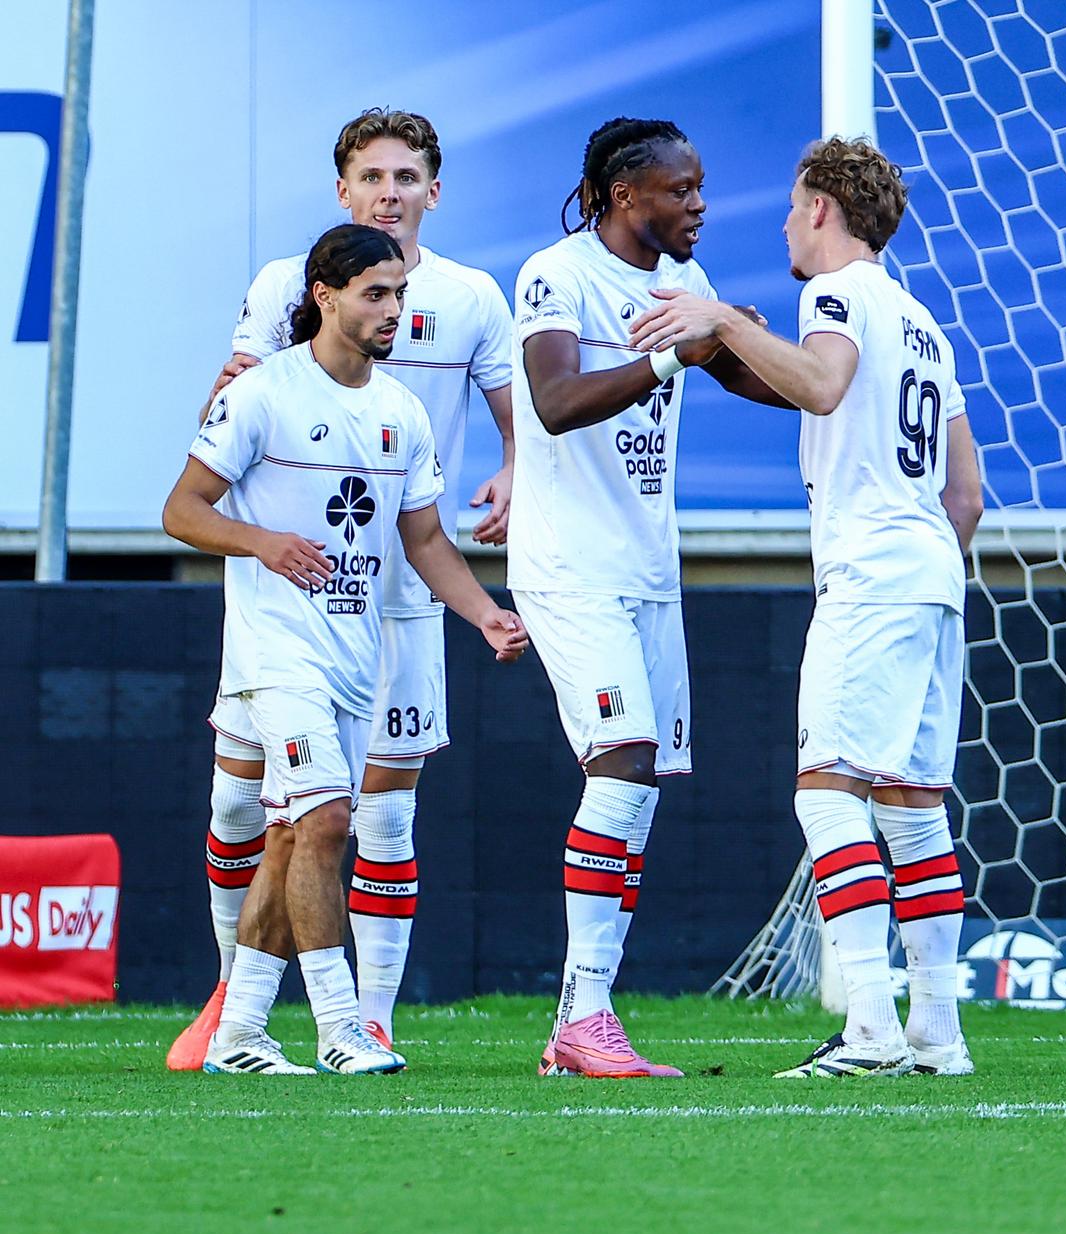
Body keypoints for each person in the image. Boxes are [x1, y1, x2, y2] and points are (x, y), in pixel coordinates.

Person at [168, 109, 515, 1068]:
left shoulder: (406, 401)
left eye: (400, 294)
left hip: (370, 633)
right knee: (307, 817)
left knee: (323, 826)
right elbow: (184, 503)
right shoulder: (269, 378)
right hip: (277, 635)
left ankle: (245, 1029)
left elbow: (428, 536)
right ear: (323, 294)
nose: (395, 312)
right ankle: (336, 1027)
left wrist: (485, 611)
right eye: (376, 296)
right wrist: (264, 540)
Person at [632, 137, 981, 1078]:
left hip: (871, 578)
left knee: (826, 792)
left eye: (793, 204)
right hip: (932, 579)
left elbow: (822, 384)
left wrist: (719, 320)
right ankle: (937, 1035)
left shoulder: (836, 296)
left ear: (823, 207)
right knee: (913, 807)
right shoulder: (922, 320)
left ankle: (869, 1026)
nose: (786, 221)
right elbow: (968, 495)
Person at [512, 117, 787, 1078]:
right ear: (626, 196)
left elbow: (735, 368)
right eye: (683, 191)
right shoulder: (556, 274)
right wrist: (676, 352)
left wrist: (813, 376)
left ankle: (578, 1024)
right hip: (569, 563)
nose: (700, 206)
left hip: (646, 568)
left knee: (640, 789)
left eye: (702, 187)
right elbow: (554, 401)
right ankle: (585, 1017)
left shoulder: (687, 286)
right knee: (621, 759)